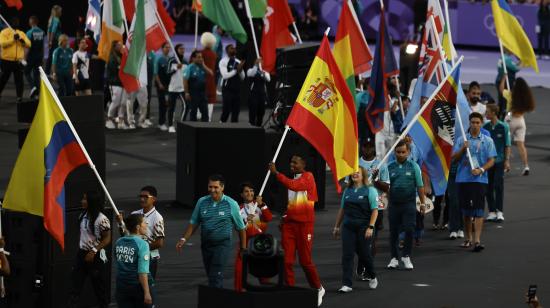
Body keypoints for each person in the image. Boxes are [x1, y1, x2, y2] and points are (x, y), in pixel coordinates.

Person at [268, 155, 325, 306]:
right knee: (286, 261)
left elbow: (295, 186)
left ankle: (318, 288)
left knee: (305, 262)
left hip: (304, 225)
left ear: (303, 163)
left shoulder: (308, 177)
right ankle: (290, 291)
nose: (292, 164)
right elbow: (294, 203)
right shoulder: (293, 179)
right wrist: (285, 216)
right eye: (291, 161)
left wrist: (277, 173)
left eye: (295, 162)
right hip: (290, 225)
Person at [176, 174, 246, 288]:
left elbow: (241, 228)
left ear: (222, 187)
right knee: (212, 276)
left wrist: (243, 248)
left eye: (215, 187)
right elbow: (194, 222)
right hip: (206, 245)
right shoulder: (201, 202)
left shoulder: (231, 204)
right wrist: (183, 239)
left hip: (222, 245)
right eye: (210, 187)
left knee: (215, 277)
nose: (212, 190)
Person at [452, 112, 496, 252]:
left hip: (480, 179)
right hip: (463, 179)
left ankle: (477, 241)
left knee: (478, 210)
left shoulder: (487, 140)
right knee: (466, 211)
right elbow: (454, 159)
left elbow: (492, 160)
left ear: (481, 123)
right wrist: (463, 148)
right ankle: (467, 239)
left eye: (478, 122)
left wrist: (481, 169)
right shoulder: (461, 140)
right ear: (469, 123)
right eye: (473, 122)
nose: (475, 125)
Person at [333, 167, 379, 293]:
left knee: (364, 254)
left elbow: (375, 210)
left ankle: (372, 275)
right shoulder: (347, 190)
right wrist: (337, 227)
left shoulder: (370, 190)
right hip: (348, 227)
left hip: (364, 227)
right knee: (347, 255)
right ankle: (347, 284)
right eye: (353, 172)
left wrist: (371, 227)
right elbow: (342, 210)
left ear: (363, 175)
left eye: (357, 172)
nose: (355, 174)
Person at [386, 140, 426, 270]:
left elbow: (420, 186)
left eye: (403, 152)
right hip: (393, 204)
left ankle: (406, 256)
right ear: (394, 152)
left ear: (408, 152)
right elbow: (385, 185)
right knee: (393, 232)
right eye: (398, 152)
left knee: (409, 229)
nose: (401, 154)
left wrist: (423, 203)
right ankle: (394, 258)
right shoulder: (389, 166)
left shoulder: (414, 166)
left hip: (409, 204)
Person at [69, 191, 111, 308]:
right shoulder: (82, 215)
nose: (82, 201)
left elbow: (107, 238)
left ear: (92, 202)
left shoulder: (102, 220)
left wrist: (94, 250)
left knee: (99, 288)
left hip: (95, 256)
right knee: (75, 286)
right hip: (81, 254)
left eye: (85, 199)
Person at [234, 182, 273, 292]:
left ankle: (267, 292)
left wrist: (262, 205)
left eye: (251, 191)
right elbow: (237, 228)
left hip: (260, 243)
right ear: (241, 194)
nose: (250, 193)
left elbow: (269, 218)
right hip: (245, 243)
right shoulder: (238, 209)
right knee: (239, 270)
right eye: (246, 191)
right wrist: (246, 220)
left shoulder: (260, 205)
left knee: (264, 274)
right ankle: (239, 293)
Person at [115, 214, 154, 307]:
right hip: (137, 288)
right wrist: (147, 293)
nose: (146, 224)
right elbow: (142, 272)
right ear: (138, 227)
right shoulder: (143, 244)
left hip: (121, 286)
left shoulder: (118, 242)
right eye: (144, 222)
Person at [500, 76, 535, 176]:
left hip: (510, 119)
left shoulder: (511, 95)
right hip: (521, 120)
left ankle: (506, 165)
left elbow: (501, 89)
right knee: (521, 145)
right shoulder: (527, 98)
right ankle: (526, 166)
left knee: (507, 143)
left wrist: (504, 78)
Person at [484, 104, 511, 222]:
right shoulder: (485, 127)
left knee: (498, 186)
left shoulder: (504, 126)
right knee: (488, 187)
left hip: (499, 161)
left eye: (487, 112)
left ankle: (499, 211)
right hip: (488, 161)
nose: (486, 113)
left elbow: (507, 145)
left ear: (494, 113)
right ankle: (491, 211)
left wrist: (507, 160)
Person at [130, 186, 165, 279]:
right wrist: (120, 224)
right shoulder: (134, 214)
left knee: (147, 288)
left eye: (145, 197)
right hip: (134, 258)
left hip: (149, 259)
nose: (142, 199)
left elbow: (159, 243)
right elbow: (126, 235)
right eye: (140, 196)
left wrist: (141, 249)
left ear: (154, 199)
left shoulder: (157, 218)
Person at [0, 17, 31, 103]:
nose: (15, 23)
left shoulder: (21, 33)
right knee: (3, 79)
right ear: (10, 23)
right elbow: (2, 44)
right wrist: (12, 39)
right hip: (6, 60)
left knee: (19, 80)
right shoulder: (4, 32)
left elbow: (29, 44)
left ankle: (19, 97)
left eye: (16, 22)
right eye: (14, 22)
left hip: (18, 61)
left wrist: (22, 40)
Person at [183, 50, 213, 122]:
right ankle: (193, 130)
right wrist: (186, 93)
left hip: (202, 93)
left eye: (201, 57)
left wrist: (204, 65)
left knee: (205, 113)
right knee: (193, 112)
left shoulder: (202, 67)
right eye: (199, 57)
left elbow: (211, 73)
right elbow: (185, 81)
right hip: (193, 93)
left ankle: (204, 129)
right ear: (193, 58)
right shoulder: (189, 68)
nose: (201, 59)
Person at [219, 44, 245, 123]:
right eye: (231, 48)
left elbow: (243, 77)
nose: (233, 49)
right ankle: (220, 126)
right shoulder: (223, 61)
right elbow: (225, 76)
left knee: (236, 112)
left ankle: (234, 129)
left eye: (234, 48)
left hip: (236, 90)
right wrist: (236, 70)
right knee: (226, 111)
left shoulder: (238, 61)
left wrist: (240, 71)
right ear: (227, 51)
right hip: (227, 89)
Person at [105, 41, 127, 129]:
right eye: (119, 45)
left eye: (121, 45)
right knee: (116, 101)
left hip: (123, 83)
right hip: (115, 83)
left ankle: (121, 120)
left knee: (123, 102)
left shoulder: (122, 56)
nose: (121, 46)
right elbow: (117, 71)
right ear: (114, 47)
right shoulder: (112, 58)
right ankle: (109, 119)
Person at [166, 44, 187, 132]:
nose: (182, 50)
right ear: (176, 50)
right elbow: (167, 73)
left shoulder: (185, 61)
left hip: (182, 88)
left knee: (186, 106)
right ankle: (170, 125)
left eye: (183, 48)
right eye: (180, 48)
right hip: (173, 88)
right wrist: (175, 69)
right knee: (171, 107)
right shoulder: (171, 60)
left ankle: (182, 124)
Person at [247, 58, 270, 127]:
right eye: (258, 61)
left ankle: (259, 125)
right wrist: (255, 66)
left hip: (262, 94)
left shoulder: (265, 72)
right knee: (253, 110)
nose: (260, 62)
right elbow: (251, 74)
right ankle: (251, 124)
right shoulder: (251, 70)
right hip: (254, 94)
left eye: (261, 61)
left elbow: (268, 79)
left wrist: (263, 75)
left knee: (261, 111)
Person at [25, 16, 45, 99]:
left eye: (29, 21)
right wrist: (43, 57)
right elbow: (43, 46)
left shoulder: (29, 32)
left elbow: (28, 46)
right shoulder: (42, 32)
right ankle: (37, 95)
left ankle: (33, 87)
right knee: (37, 75)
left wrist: (24, 57)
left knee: (26, 72)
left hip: (31, 57)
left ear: (32, 22)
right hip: (39, 57)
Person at [200, 32, 218, 121]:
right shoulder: (214, 54)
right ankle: (209, 119)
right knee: (210, 101)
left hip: (201, 79)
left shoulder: (199, 54)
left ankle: (199, 116)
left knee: (200, 99)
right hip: (211, 80)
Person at [155, 43, 172, 131]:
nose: (168, 49)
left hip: (169, 85)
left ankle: (166, 121)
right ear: (162, 49)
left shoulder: (170, 59)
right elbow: (156, 73)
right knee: (162, 104)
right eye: (166, 47)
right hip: (161, 85)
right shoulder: (159, 59)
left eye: (169, 47)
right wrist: (159, 84)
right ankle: (161, 123)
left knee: (168, 104)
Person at [46, 5, 62, 75]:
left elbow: (49, 31)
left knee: (50, 56)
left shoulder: (51, 19)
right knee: (54, 57)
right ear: (57, 12)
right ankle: (53, 73)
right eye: (60, 11)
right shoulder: (56, 19)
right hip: (56, 40)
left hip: (53, 40)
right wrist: (51, 41)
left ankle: (47, 72)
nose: (61, 12)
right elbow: (53, 31)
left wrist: (49, 40)